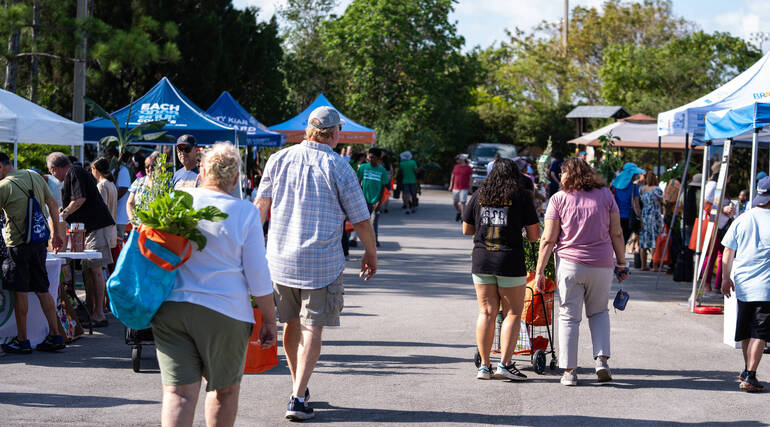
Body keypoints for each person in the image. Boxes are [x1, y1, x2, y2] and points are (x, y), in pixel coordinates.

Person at [256, 106, 376, 421]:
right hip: (321, 263)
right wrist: (371, 253)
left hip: (280, 259)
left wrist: (251, 251)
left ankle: (299, 385)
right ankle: (297, 397)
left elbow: (260, 209)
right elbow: (361, 219)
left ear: (308, 130)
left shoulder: (278, 160)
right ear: (335, 134)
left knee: (291, 324)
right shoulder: (339, 166)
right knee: (313, 328)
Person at [151, 142, 276, 425]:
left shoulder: (178, 200)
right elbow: (258, 274)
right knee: (223, 391)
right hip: (225, 312)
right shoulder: (245, 212)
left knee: (178, 393)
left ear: (202, 170)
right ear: (235, 178)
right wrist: (269, 319)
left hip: (172, 308)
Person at [535, 158, 629, 386]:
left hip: (570, 265)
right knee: (599, 313)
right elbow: (616, 232)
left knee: (569, 315)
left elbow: (548, 239)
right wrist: (622, 263)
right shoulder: (607, 195)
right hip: (602, 265)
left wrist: (539, 271)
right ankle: (601, 361)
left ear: (567, 175)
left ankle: (569, 372)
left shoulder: (558, 199)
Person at [462, 158, 540, 380]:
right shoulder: (521, 196)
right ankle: (505, 364)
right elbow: (534, 235)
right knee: (513, 312)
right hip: (510, 260)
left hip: (482, 260)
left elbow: (466, 229)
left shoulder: (479, 195)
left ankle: (484, 366)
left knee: (486, 312)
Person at [0, 152, 65, 353]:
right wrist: (56, 234)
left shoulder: (3, 187)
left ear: (1, 167)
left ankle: (22, 340)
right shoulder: (34, 175)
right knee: (42, 287)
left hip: (17, 244)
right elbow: (53, 204)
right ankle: (55, 335)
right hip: (39, 241)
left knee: (20, 291)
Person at [46, 152, 115, 327]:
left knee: (96, 269)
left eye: (51, 171)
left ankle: (99, 314)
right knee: (89, 270)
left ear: (55, 168)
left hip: (97, 227)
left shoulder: (74, 172)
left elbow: (79, 199)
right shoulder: (74, 173)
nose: (54, 176)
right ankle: (91, 310)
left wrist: (62, 215)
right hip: (89, 229)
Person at [721, 176, 770, 393]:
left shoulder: (743, 218)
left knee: (745, 330)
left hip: (742, 284)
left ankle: (747, 369)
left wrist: (725, 277)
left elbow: (728, 251)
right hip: (766, 286)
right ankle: (750, 375)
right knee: (760, 332)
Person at [357, 148, 389, 247]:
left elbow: (383, 187)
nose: (370, 159)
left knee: (374, 221)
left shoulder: (382, 170)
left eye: (373, 157)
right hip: (363, 200)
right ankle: (364, 240)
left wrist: (379, 201)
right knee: (363, 221)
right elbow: (358, 182)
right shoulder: (363, 167)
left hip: (375, 201)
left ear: (378, 158)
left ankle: (374, 240)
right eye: (369, 157)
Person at [611, 162, 644, 245]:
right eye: (634, 174)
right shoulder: (634, 187)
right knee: (623, 243)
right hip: (627, 219)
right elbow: (636, 205)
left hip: (613, 217)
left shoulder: (613, 185)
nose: (635, 176)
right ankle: (620, 257)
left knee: (613, 243)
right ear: (631, 174)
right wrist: (640, 219)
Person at [90, 158, 118, 253]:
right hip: (111, 230)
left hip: (103, 232)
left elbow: (101, 210)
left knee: (99, 265)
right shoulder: (111, 184)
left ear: (95, 169)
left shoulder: (102, 185)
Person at [126, 152, 160, 223]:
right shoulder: (139, 181)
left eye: (153, 166)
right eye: (147, 166)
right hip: (139, 225)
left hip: (157, 225)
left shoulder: (165, 183)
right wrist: (133, 219)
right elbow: (130, 203)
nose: (150, 168)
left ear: (160, 167)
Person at [639, 172, 663, 271]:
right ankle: (655, 266)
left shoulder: (642, 189)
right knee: (654, 241)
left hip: (644, 216)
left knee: (643, 241)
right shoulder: (657, 190)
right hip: (654, 216)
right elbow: (662, 201)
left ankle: (643, 265)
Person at [112, 151, 132, 240]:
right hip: (114, 217)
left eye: (109, 155)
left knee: (120, 243)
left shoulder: (123, 170)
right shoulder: (114, 170)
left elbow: (123, 189)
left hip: (121, 218)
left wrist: (111, 201)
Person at [449, 154, 473, 222]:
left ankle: (463, 217)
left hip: (464, 188)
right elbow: (452, 176)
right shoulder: (456, 167)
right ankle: (459, 212)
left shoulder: (468, 168)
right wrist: (451, 185)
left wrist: (470, 187)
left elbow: (471, 178)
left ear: (462, 159)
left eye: (458, 159)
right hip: (456, 187)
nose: (457, 160)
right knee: (455, 203)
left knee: (463, 202)